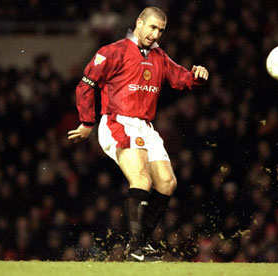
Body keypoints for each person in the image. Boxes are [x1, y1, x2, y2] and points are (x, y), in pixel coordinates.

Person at [68, 6, 208, 262]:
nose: (155, 34)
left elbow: (180, 79)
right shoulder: (112, 52)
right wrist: (87, 122)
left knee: (167, 183)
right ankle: (135, 249)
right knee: (141, 180)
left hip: (145, 126)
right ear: (139, 23)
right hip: (117, 123)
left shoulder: (160, 57)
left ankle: (140, 242)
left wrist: (196, 77)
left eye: (161, 30)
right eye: (152, 27)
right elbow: (85, 85)